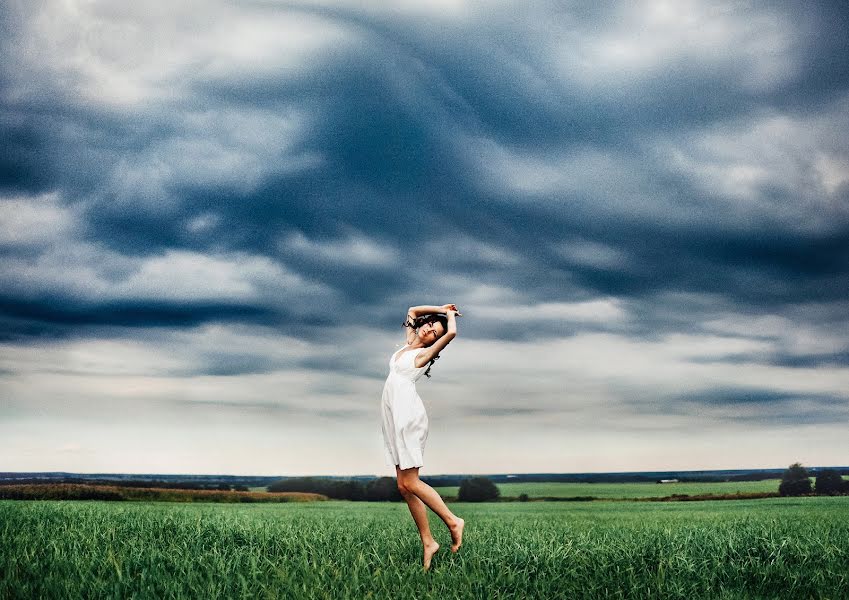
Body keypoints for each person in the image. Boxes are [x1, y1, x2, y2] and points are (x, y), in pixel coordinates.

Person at [380, 303, 465, 571]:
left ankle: (453, 521)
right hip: (393, 416)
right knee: (403, 486)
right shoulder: (408, 345)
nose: (429, 331)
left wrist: (449, 318)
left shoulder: (423, 355)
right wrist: (440, 308)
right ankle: (428, 541)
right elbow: (413, 310)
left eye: (434, 333)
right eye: (430, 325)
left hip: (408, 418)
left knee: (411, 482)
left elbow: (451, 335)